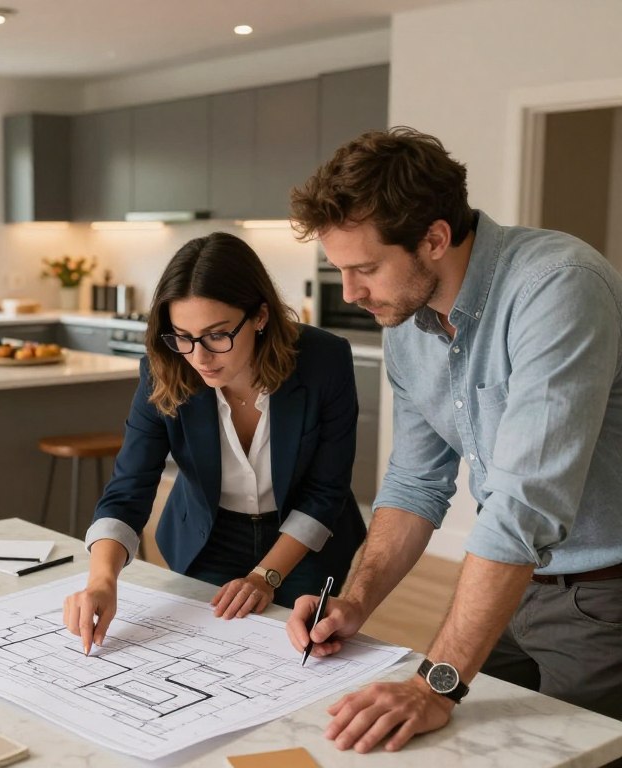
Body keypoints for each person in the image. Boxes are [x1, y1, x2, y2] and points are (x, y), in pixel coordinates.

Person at [286, 126, 622, 754]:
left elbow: (525, 504)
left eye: (364, 268)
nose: (352, 293)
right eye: (341, 270)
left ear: (434, 238)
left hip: (603, 601)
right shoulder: (408, 320)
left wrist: (436, 683)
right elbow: (416, 482)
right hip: (505, 587)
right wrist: (355, 602)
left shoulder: (558, 286)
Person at [63, 231, 367, 655]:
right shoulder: (164, 367)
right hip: (209, 537)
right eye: (182, 336)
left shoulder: (324, 360)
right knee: (207, 653)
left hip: (306, 541)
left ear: (260, 316)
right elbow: (129, 486)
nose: (199, 357)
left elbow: (325, 490)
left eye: (217, 335)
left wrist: (265, 577)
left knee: (305, 653)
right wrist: (101, 581)